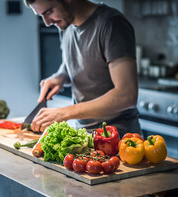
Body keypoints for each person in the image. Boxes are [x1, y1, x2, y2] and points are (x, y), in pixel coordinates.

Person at [24, 0, 142, 138]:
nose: (47, 23)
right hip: (83, 135)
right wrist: (60, 76)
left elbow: (126, 95)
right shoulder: (65, 25)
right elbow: (72, 64)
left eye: (49, 12)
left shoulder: (112, 24)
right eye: (41, 16)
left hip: (118, 139)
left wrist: (65, 113)